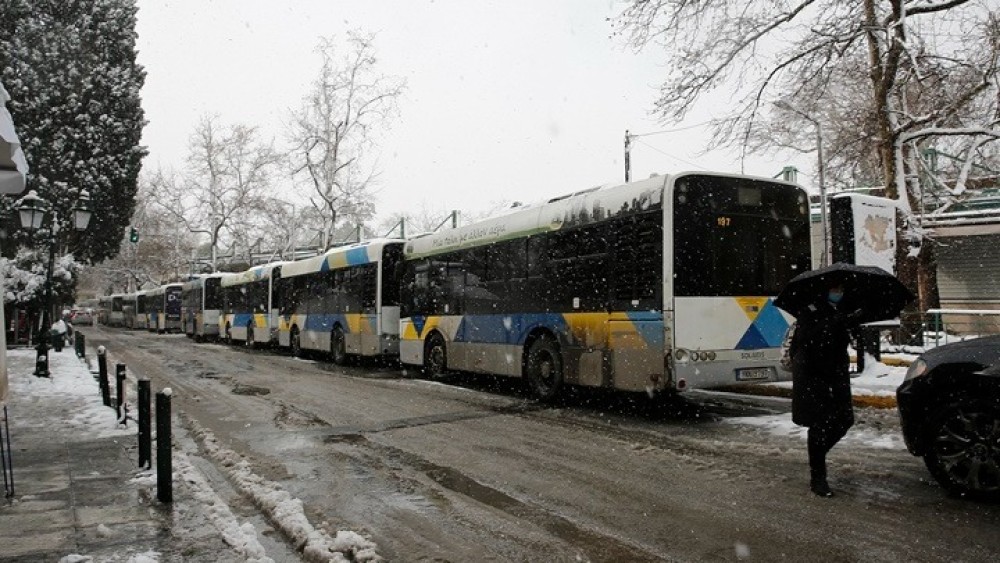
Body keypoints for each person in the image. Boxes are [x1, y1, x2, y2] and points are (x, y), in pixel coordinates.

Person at [788, 282, 865, 497]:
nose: (838, 293)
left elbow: (843, 342)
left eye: (841, 289)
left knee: (844, 419)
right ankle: (818, 477)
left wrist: (853, 326)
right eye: (835, 289)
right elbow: (810, 339)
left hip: (837, 374)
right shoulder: (810, 310)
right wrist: (836, 323)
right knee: (819, 425)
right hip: (814, 376)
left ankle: (818, 455)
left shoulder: (843, 310)